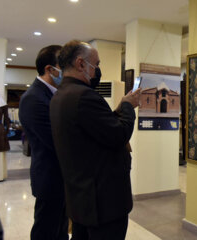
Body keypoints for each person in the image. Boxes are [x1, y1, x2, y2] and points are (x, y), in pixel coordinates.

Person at [50, 40, 140, 240]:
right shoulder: (84, 96)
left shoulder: (60, 96)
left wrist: (116, 111)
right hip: (103, 202)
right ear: (81, 64)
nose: (97, 70)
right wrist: (127, 106)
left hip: (81, 197)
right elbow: (118, 135)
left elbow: (96, 131)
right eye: (96, 65)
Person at [19, 45, 68, 240]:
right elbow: (55, 139)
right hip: (50, 178)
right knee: (46, 231)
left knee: (60, 229)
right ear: (50, 69)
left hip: (62, 177)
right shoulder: (33, 98)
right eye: (64, 65)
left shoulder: (55, 93)